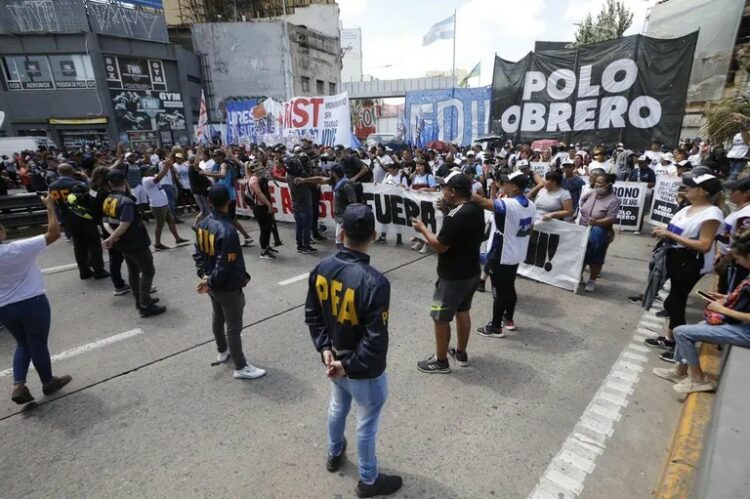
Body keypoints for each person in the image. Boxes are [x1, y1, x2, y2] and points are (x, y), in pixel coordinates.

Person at [305, 204, 402, 498]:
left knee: (338, 406)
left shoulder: (321, 267)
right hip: (358, 368)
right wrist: (345, 364)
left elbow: (313, 316)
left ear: (341, 232)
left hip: (335, 358)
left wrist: (325, 350)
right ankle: (369, 480)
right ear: (373, 235)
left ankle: (334, 453)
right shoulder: (375, 281)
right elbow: (375, 342)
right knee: (366, 423)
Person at [652, 231, 750, 394]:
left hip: (745, 331)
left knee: (681, 332)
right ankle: (680, 372)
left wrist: (723, 309)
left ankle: (699, 379)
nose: (737, 261)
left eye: (739, 258)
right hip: (738, 324)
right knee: (694, 327)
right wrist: (726, 297)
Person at [0, 197, 72, 404]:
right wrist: (50, 207)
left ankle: (19, 385)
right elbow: (54, 233)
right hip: (32, 302)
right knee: (38, 343)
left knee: (23, 344)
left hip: (4, 308)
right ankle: (48, 382)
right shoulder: (16, 249)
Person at [412, 173, 486, 373]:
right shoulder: (476, 209)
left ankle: (441, 360)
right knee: (463, 312)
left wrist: (422, 229)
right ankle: (460, 352)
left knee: (440, 318)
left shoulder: (455, 216)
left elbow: (440, 246)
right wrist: (447, 211)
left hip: (452, 276)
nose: (442, 191)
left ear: (452, 192)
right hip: (471, 272)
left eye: (444, 188)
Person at [645, 174, 724, 361]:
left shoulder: (712, 214)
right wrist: (664, 232)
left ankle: (681, 350)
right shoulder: (688, 208)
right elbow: (677, 231)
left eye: (690, 186)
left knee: (674, 302)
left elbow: (704, 245)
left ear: (704, 191)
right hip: (675, 258)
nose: (685, 188)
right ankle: (670, 339)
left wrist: (671, 235)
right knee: (674, 301)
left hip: (690, 262)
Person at [194, 185, 266, 380]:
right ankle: (241, 366)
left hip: (212, 282)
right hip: (225, 286)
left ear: (209, 201)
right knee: (233, 327)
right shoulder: (228, 230)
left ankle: (222, 350)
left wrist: (205, 276)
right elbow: (225, 264)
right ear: (229, 201)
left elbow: (198, 253)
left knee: (218, 317)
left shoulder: (202, 224)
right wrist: (211, 280)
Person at [473, 171, 537, 336]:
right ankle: (509, 319)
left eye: (506, 183)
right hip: (516, 253)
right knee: (509, 287)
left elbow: (480, 202)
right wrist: (494, 189)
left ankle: (495, 326)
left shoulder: (508, 204)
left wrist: (460, 188)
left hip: (502, 253)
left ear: (514, 187)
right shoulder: (531, 204)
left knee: (499, 291)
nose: (503, 185)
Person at [102, 170, 166, 318]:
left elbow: (105, 221)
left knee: (133, 271)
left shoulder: (108, 199)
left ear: (110, 184)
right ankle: (145, 304)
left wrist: (112, 236)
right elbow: (125, 224)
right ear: (125, 181)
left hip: (122, 242)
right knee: (148, 271)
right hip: (135, 242)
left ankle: (140, 300)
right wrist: (113, 237)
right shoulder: (126, 201)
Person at [48, 164, 110, 280]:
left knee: (79, 246)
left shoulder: (52, 186)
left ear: (58, 172)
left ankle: (84, 270)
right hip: (85, 217)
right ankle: (98, 270)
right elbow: (92, 195)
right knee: (94, 245)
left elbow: (55, 204)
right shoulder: (79, 184)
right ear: (72, 171)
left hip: (68, 219)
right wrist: (86, 178)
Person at [90, 166, 130, 296]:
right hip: (113, 227)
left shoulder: (93, 190)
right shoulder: (106, 194)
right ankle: (123, 284)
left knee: (115, 258)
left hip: (103, 225)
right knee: (126, 256)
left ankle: (118, 283)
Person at [578, 173, 620, 292]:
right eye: (596, 181)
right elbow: (582, 202)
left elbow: (611, 218)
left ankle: (592, 280)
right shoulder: (591, 193)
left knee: (595, 256)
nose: (597, 184)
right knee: (581, 254)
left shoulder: (613, 200)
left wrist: (597, 222)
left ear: (608, 184)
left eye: (600, 182)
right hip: (583, 227)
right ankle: (578, 276)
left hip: (600, 231)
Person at [202, 150, 254, 247]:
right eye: (212, 155)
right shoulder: (219, 165)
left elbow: (222, 175)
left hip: (226, 196)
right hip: (224, 194)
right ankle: (245, 237)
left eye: (215, 155)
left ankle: (232, 239)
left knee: (225, 219)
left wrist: (206, 174)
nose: (213, 157)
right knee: (230, 219)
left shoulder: (223, 164)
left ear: (221, 156)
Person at [141, 162, 189, 251]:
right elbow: (159, 177)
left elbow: (161, 174)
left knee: (171, 221)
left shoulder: (150, 177)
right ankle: (157, 243)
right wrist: (167, 166)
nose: (151, 170)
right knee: (160, 225)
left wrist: (166, 166)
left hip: (163, 204)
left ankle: (177, 238)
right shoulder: (146, 180)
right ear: (144, 173)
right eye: (149, 170)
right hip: (157, 205)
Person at [716, 176, 750, 293]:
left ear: (747, 193)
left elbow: (741, 243)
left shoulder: (746, 214)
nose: (730, 193)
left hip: (736, 262)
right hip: (731, 259)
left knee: (728, 294)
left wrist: (725, 261)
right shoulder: (741, 210)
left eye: (734, 190)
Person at [246, 161, 279, 260]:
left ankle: (267, 246)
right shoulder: (254, 180)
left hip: (265, 206)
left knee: (268, 227)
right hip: (260, 207)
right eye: (259, 168)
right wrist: (269, 205)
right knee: (264, 229)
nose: (261, 169)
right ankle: (263, 251)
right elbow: (259, 194)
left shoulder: (260, 178)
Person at [189, 153, 212, 229]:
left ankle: (198, 225)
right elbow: (196, 162)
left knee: (205, 210)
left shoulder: (198, 169)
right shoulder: (192, 168)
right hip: (199, 193)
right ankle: (198, 225)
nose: (199, 161)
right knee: (205, 211)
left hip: (202, 192)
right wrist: (199, 150)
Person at [727, 114, 750, 181]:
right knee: (731, 174)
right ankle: (733, 189)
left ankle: (727, 187)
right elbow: (733, 145)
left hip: (742, 158)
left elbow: (746, 139)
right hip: (733, 157)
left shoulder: (747, 134)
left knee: (734, 175)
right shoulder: (736, 135)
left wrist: (741, 123)